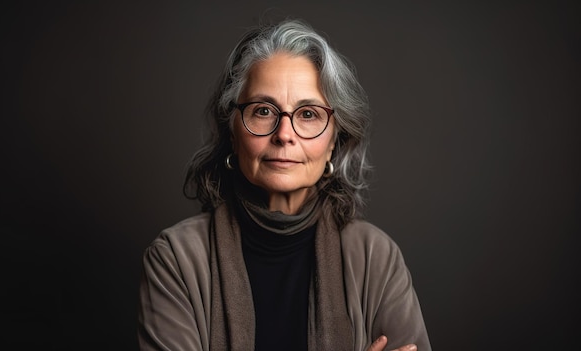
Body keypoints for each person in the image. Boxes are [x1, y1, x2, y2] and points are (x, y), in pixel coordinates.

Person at [138, 18, 431, 351]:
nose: (284, 134)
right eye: (263, 110)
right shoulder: (176, 258)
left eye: (308, 114)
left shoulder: (375, 258)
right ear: (233, 132)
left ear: (335, 139)